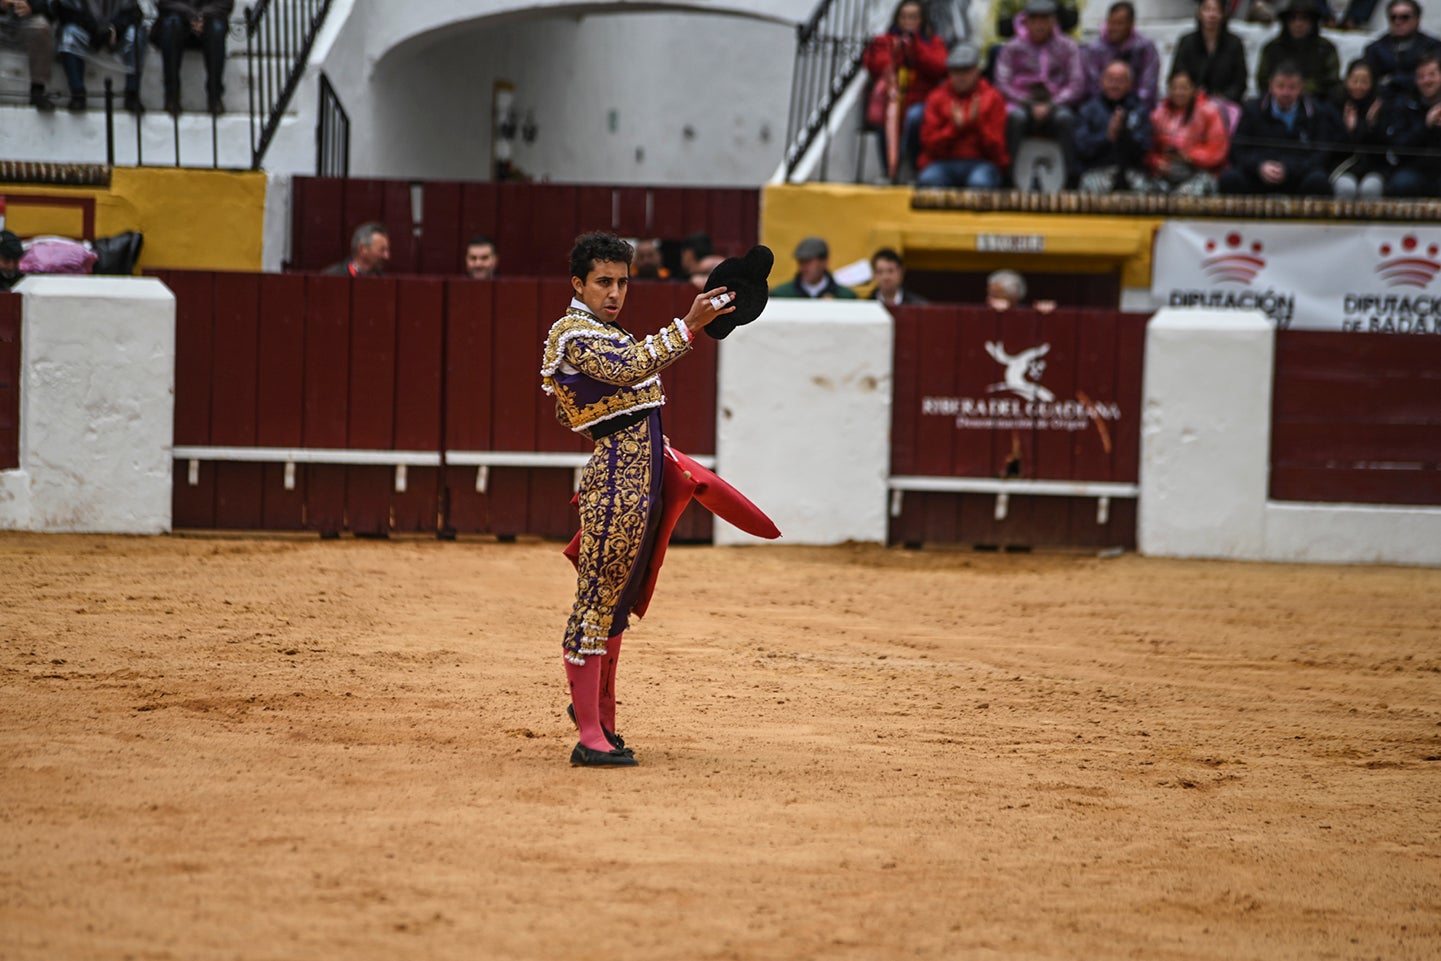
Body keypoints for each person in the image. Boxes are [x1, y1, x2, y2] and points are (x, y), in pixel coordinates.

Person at [539, 231, 735, 768]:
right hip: (617, 482)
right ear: (578, 283)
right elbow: (628, 371)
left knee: (616, 602)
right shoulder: (575, 333)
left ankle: (602, 722)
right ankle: (588, 736)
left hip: (639, 475)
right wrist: (689, 324)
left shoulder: (608, 332)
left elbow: (613, 395)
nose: (616, 292)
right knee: (597, 600)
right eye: (604, 282)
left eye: (623, 282)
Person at [994, 0, 1086, 185]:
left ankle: (1070, 180)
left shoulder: (1068, 46)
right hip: (1021, 102)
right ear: (1025, 22)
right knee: (1015, 118)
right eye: (1034, 20)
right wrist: (1029, 103)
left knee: (1066, 119)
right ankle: (1009, 178)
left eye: (1044, 20)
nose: (1039, 25)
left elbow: (1076, 84)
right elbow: (1002, 83)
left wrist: (1051, 105)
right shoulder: (1012, 47)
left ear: (1053, 22)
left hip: (1057, 102)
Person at [1220, 61, 1338, 194]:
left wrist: (1289, 169)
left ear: (1301, 88)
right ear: (1271, 86)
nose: (1285, 93)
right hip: (1259, 175)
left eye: (1292, 87)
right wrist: (1260, 166)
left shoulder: (1315, 112)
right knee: (1230, 179)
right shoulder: (1252, 109)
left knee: (1319, 182)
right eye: (1280, 86)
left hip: (1297, 176)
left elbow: (1321, 154)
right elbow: (1238, 150)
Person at [864, 0, 951, 178]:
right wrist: (899, 51)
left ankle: (914, 166)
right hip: (893, 99)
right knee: (886, 119)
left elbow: (940, 67)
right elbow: (874, 64)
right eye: (904, 17)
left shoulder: (933, 42)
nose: (908, 21)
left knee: (916, 117)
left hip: (921, 101)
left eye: (913, 17)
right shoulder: (884, 41)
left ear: (922, 20)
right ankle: (888, 170)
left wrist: (916, 46)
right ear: (897, 19)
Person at [915, 43, 1009, 188]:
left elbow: (997, 150)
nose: (961, 77)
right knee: (929, 181)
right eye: (956, 71)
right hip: (943, 162)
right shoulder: (936, 97)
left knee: (980, 184)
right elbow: (929, 146)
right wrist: (954, 128)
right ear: (949, 73)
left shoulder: (993, 98)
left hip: (982, 162)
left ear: (977, 71)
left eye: (966, 71)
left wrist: (976, 124)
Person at [1144, 67, 1231, 195]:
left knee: (1188, 194)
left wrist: (1189, 156)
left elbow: (1218, 150)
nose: (1179, 92)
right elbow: (1149, 148)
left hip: (1199, 172)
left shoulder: (1209, 111)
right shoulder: (1159, 113)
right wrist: (1158, 163)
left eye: (1184, 88)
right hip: (1166, 172)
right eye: (1174, 88)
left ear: (1194, 89)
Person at [52, 0, 147, 113]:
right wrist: (93, 29)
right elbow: (65, 12)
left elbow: (134, 13)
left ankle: (132, 94)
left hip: (116, 34)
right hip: (85, 30)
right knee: (68, 35)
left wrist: (114, 28)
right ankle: (77, 93)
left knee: (136, 35)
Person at [1074, 60, 1155, 192]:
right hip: (1097, 171)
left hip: (1132, 172)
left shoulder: (1139, 110)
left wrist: (1124, 134)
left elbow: (1145, 148)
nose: (1114, 85)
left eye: (1120, 80)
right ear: (1102, 81)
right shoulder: (1088, 110)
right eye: (1111, 79)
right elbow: (1081, 147)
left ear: (1130, 84)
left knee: (1146, 191)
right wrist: (1107, 137)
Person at [152, 1, 233, 115]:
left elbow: (225, 4)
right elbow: (164, 3)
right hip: (178, 19)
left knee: (216, 28)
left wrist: (201, 16)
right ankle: (172, 94)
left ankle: (215, 96)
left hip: (209, 21)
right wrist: (191, 14)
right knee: (172, 24)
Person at [1082, 1, 1162, 111]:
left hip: (1136, 107)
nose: (1113, 28)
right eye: (1111, 22)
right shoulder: (1095, 48)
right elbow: (1093, 84)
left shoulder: (1145, 47)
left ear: (1131, 24)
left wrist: (1133, 109)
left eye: (1119, 23)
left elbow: (1148, 86)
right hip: (1102, 108)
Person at [1169, 0, 1250, 107]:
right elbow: (1178, 74)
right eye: (1207, 9)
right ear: (1199, 12)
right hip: (1191, 104)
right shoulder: (1187, 42)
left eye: (1216, 10)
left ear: (1223, 14)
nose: (1211, 15)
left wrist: (1222, 99)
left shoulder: (1234, 43)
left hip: (1225, 105)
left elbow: (1240, 82)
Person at [1256, 0, 1342, 101]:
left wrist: (1303, 88)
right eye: (1293, 19)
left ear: (1312, 23)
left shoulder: (1326, 49)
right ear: (1286, 22)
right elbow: (1262, 80)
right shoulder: (1272, 48)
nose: (1298, 24)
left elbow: (1332, 82)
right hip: (1277, 103)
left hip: (1317, 103)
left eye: (1304, 19)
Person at [1329, 59, 1390, 197]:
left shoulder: (1380, 106)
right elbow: (1331, 147)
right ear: (1346, 80)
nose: (1358, 86)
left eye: (1364, 81)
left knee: (1370, 189)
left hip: (1373, 169)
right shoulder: (1334, 105)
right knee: (1346, 188)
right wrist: (1349, 130)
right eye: (1354, 80)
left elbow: (1384, 149)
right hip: (1343, 167)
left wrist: (1371, 125)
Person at [1384, 53, 1441, 195]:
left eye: (1432, 75)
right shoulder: (1404, 104)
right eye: (1421, 77)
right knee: (1401, 184)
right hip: (1413, 169)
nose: (1426, 81)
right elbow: (1398, 149)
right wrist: (1426, 125)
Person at [1363, 0, 1441, 96]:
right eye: (1393, 17)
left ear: (1417, 20)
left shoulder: (1433, 46)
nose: (1398, 22)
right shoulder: (1375, 49)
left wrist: (1393, 80)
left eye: (1405, 17)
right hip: (1385, 102)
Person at [0, 0, 57, 112]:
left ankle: (37, 91)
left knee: (42, 27)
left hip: (25, 20)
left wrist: (31, 6)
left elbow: (51, 6)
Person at [770, 236, 858, 299]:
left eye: (808, 261)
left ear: (824, 262)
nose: (803, 266)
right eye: (801, 261)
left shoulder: (844, 297)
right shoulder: (781, 295)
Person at [322, 222, 390, 277]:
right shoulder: (332, 276)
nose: (387, 256)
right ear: (363, 249)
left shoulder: (384, 280)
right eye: (382, 250)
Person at [986, 269, 1055, 312]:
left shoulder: (1028, 313)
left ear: (1014, 297)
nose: (989, 299)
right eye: (989, 293)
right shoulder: (985, 310)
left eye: (996, 295)